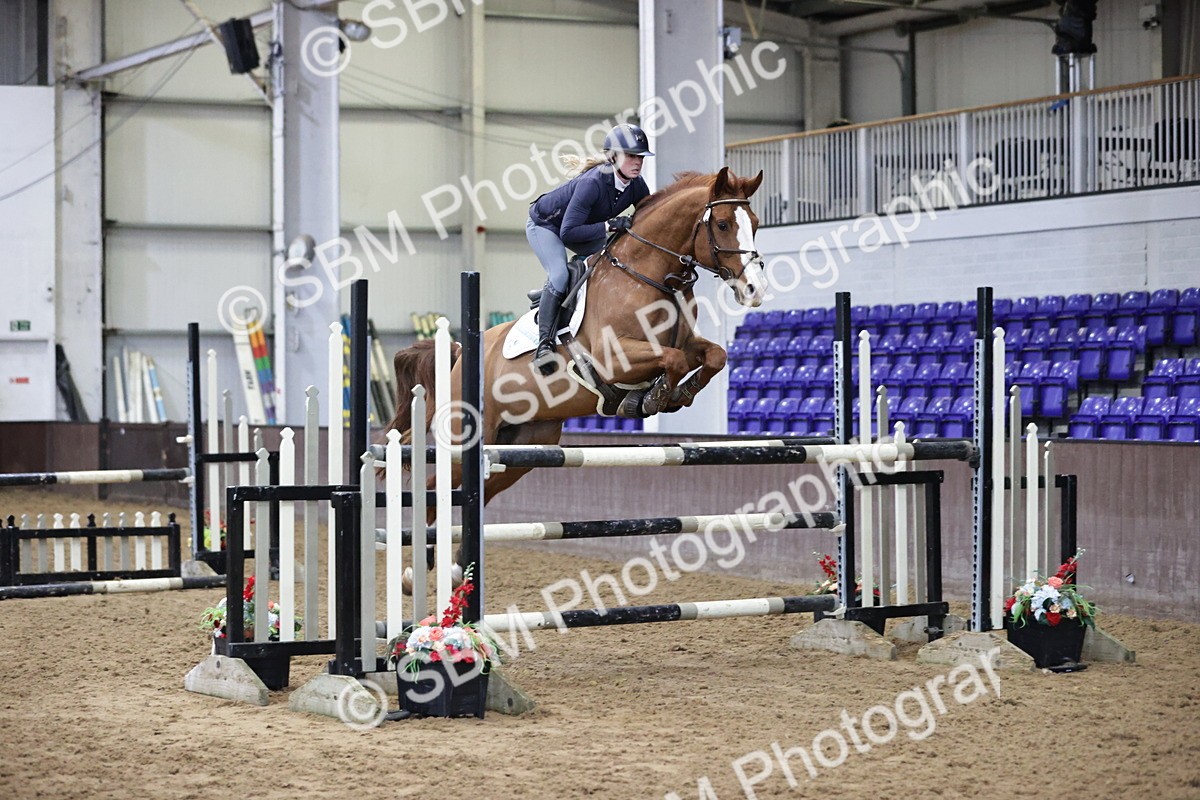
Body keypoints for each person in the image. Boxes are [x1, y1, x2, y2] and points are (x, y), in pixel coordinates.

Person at [526, 123, 654, 374]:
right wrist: (608, 226)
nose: (637, 162)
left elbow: (648, 218)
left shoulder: (637, 185)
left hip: (583, 228)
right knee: (560, 274)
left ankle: (548, 298)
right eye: (631, 156)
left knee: (617, 257)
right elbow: (568, 232)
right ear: (613, 156)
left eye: (640, 157)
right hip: (547, 226)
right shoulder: (593, 182)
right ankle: (544, 345)